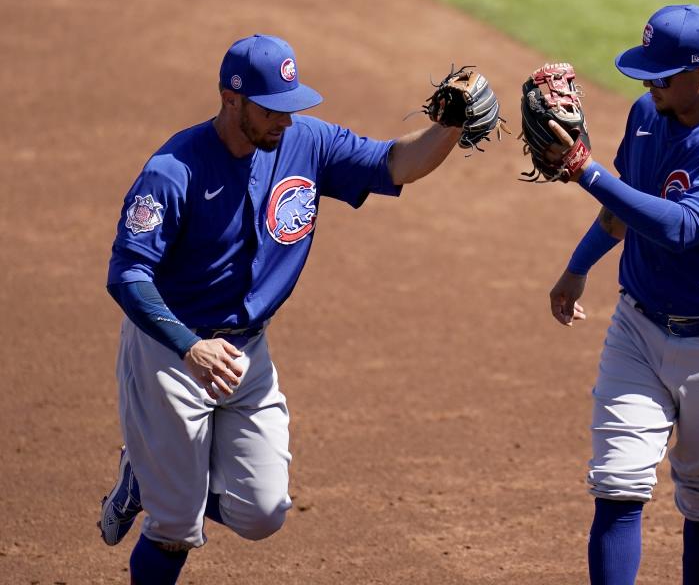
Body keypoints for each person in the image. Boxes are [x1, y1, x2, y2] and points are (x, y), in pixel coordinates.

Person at [98, 34, 500, 584]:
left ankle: (153, 476)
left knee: (263, 512)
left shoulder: (305, 141)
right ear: (230, 98)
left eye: (292, 107)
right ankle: (160, 486)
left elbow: (395, 163)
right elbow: (127, 274)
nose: (285, 121)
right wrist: (189, 347)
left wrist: (449, 126)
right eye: (272, 109)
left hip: (246, 349)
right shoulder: (173, 171)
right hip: (173, 351)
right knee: (173, 529)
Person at [544, 5, 699, 584]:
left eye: (660, 76)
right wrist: (576, 269)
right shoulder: (646, 113)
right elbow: (626, 207)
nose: (647, 84)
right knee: (617, 485)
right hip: (639, 329)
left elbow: (681, 228)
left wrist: (584, 169)